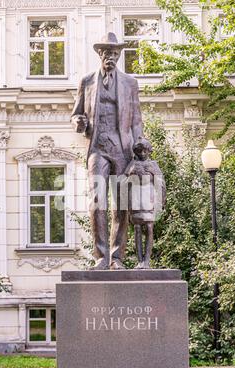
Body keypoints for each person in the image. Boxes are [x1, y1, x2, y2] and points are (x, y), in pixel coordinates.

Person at [71, 32, 143, 270]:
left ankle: (117, 258)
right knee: (96, 200)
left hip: (122, 149)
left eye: (114, 53)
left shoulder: (130, 84)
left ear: (119, 56)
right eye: (106, 53)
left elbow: (136, 120)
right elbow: (76, 114)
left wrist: (140, 143)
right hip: (97, 148)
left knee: (120, 204)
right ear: (100, 55)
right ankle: (101, 257)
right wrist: (78, 123)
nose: (110, 57)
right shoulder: (87, 81)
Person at [124, 137, 166, 269]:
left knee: (149, 227)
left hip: (149, 199)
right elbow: (123, 185)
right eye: (139, 151)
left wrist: (161, 202)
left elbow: (161, 184)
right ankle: (139, 261)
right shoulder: (132, 165)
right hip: (136, 200)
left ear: (149, 151)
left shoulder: (153, 165)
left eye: (145, 151)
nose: (142, 154)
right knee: (137, 229)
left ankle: (146, 261)